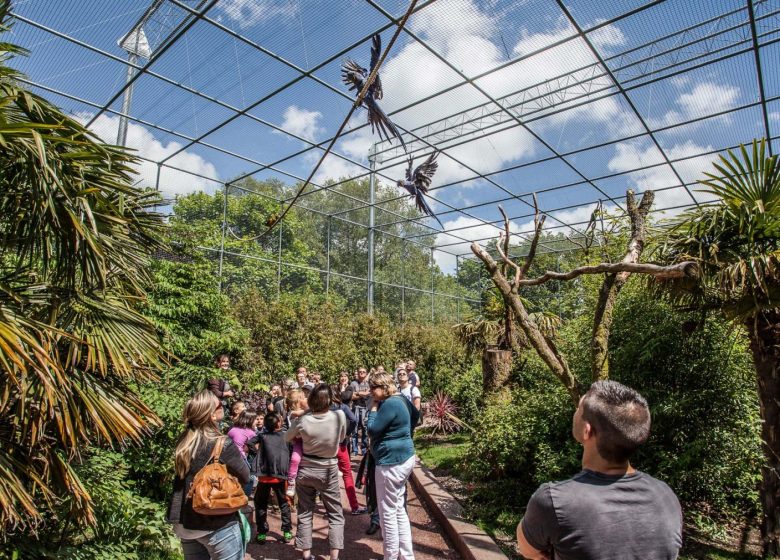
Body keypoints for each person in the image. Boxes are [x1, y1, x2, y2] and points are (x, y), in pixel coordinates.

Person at [517, 380, 683, 560]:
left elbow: (529, 551)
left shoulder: (554, 501)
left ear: (587, 431)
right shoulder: (666, 496)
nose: (575, 413)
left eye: (579, 410)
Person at [167, 390, 249, 560]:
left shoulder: (184, 441)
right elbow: (245, 475)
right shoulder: (222, 443)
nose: (223, 407)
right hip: (216, 522)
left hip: (186, 524)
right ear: (212, 415)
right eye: (220, 405)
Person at [286, 384, 346, 560]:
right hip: (328, 469)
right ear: (330, 400)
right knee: (335, 514)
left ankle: (306, 555)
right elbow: (341, 438)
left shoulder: (304, 421)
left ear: (311, 399)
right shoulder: (339, 416)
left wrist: (302, 419)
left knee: (305, 512)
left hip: (305, 469)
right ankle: (334, 557)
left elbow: (287, 437)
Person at [367, 371, 420, 560]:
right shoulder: (402, 399)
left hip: (391, 461)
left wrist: (373, 409)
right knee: (398, 508)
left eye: (374, 387)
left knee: (387, 513)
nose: (371, 391)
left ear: (384, 386)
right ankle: (406, 555)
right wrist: (404, 432)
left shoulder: (389, 403)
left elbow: (372, 429)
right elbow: (417, 416)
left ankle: (390, 556)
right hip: (405, 456)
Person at [248, 411, 293, 545]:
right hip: (280, 475)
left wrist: (258, 453)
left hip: (264, 476)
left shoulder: (262, 435)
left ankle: (261, 533)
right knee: (284, 503)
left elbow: (250, 443)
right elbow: (291, 449)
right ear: (279, 422)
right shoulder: (286, 435)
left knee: (260, 503)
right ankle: (287, 531)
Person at [330, 386, 365, 514]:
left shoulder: (322, 409)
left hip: (327, 447)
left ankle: (332, 508)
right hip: (341, 445)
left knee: (329, 476)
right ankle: (354, 506)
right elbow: (354, 420)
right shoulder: (342, 407)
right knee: (347, 474)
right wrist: (347, 433)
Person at [227, 410, 258, 497]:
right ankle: (244, 498)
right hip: (240, 457)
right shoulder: (250, 432)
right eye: (255, 419)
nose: (257, 421)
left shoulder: (233, 429)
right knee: (249, 479)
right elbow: (254, 447)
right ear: (250, 420)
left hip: (228, 456)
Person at [284, 388, 307, 497]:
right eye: (303, 398)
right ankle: (291, 481)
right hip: (299, 441)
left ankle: (334, 467)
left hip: (309, 438)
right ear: (297, 402)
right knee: (295, 459)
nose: (306, 399)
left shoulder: (307, 410)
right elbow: (301, 413)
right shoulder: (293, 413)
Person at [350, 367, 371, 455]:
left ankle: (364, 449)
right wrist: (363, 393)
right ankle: (354, 450)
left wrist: (358, 393)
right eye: (360, 372)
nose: (361, 373)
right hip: (355, 407)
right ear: (357, 373)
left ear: (366, 373)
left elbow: (369, 394)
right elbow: (351, 396)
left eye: (363, 372)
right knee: (354, 429)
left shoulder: (369, 383)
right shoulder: (353, 383)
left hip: (366, 407)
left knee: (365, 429)